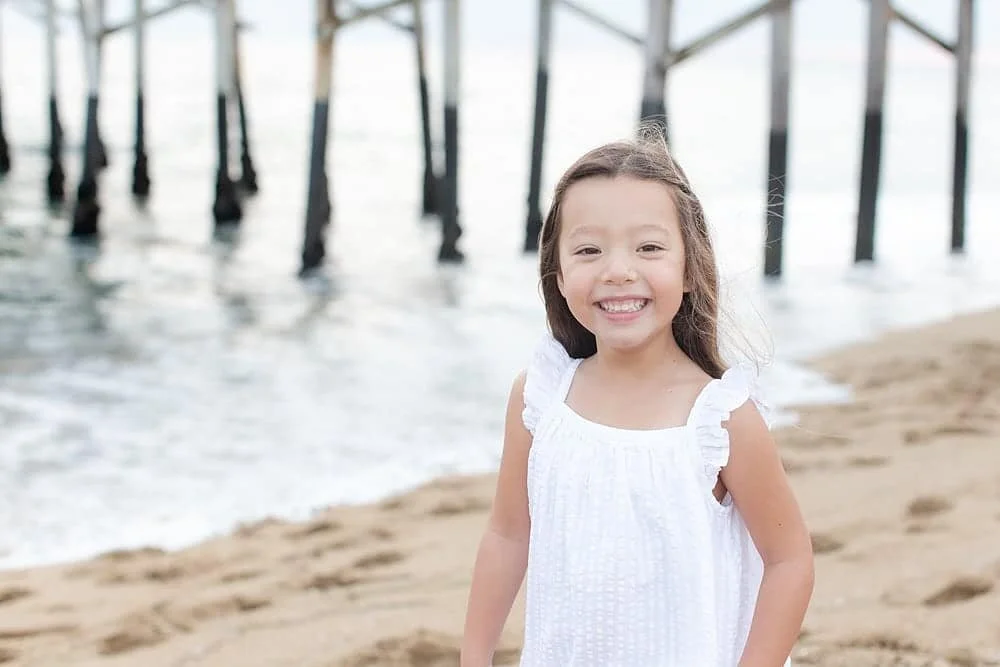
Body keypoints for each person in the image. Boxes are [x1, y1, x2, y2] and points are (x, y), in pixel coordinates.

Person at [460, 129, 814, 667]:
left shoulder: (719, 420)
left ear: (691, 267)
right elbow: (508, 536)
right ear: (557, 274)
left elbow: (789, 560)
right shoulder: (541, 398)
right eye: (588, 250)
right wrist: (475, 656)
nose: (618, 269)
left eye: (648, 247)